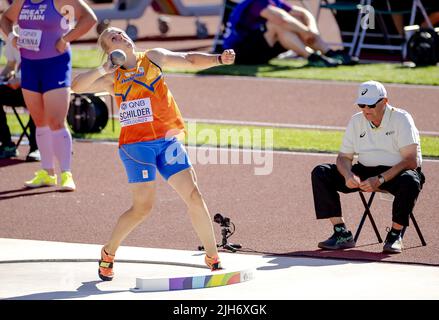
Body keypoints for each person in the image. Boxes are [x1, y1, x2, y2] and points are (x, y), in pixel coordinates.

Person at [71, 27, 235, 280]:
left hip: (167, 141)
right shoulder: (111, 77)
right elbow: (76, 86)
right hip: (136, 147)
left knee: (193, 195)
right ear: (108, 49)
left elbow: (190, 59)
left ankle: (213, 257)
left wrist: (218, 59)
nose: (121, 37)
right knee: (142, 208)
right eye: (113, 38)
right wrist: (105, 68)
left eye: (122, 33)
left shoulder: (153, 57)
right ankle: (108, 252)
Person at [311, 80, 425, 254]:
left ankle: (395, 235)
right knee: (321, 172)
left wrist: (379, 179)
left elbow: (411, 161)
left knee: (410, 180)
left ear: (384, 102)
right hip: (365, 170)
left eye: (370, 105)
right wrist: (348, 175)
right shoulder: (356, 121)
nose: (365, 109)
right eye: (361, 104)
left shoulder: (402, 118)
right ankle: (341, 233)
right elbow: (343, 157)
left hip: (397, 172)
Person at [0, 0, 97, 191]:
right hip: (29, 66)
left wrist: (66, 39)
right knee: (40, 121)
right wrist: (12, 37)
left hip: (56, 65)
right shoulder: (23, 2)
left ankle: (66, 173)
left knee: (56, 121)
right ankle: (47, 172)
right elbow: (5, 18)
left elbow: (89, 19)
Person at [223, 0, 356, 67]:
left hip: (259, 49)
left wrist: (312, 30)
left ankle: (328, 53)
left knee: (296, 20)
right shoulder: (257, 2)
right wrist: (306, 32)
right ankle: (312, 57)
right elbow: (282, 19)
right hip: (239, 54)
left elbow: (304, 13)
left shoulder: (273, 1)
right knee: (278, 24)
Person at [0, 36, 40, 161]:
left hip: (37, 88)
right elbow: (11, 65)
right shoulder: (11, 36)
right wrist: (2, 77)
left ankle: (36, 147)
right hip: (16, 89)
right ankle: (7, 145)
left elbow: (42, 69)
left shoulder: (36, 35)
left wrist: (23, 80)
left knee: (35, 98)